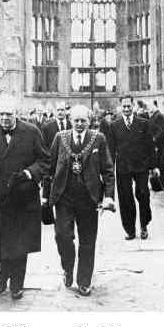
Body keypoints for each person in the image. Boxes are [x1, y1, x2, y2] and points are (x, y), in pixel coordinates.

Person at [0, 97, 50, 299]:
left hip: (21, 196)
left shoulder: (31, 132)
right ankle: (2, 273)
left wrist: (29, 173)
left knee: (19, 242)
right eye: (1, 115)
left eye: (9, 114)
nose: (5, 118)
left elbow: (45, 161)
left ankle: (16, 283)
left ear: (17, 114)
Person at [45, 105, 115, 296]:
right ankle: (68, 267)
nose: (79, 124)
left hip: (89, 198)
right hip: (64, 196)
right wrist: (45, 196)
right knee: (63, 236)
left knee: (87, 241)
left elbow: (108, 170)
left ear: (89, 121)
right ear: (70, 120)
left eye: (83, 120)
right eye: (76, 120)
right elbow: (49, 168)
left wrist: (108, 196)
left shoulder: (98, 139)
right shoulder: (61, 138)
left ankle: (84, 280)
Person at [109, 95, 160, 240]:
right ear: (120, 108)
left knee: (143, 195)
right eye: (123, 106)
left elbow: (150, 146)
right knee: (125, 198)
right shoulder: (114, 126)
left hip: (141, 166)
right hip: (123, 167)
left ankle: (144, 225)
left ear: (133, 106)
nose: (126, 109)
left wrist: (154, 166)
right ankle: (130, 230)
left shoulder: (143, 124)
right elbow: (111, 149)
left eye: (128, 106)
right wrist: (109, 168)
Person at [149, 100, 164, 187]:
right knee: (157, 163)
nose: (149, 108)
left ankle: (161, 183)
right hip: (156, 145)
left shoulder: (159, 116)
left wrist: (154, 139)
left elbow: (162, 130)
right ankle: (158, 184)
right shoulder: (154, 115)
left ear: (155, 105)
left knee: (160, 164)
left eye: (150, 105)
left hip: (159, 145)